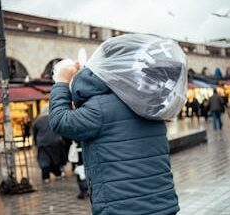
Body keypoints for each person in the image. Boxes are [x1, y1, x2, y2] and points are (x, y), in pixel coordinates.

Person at [49, 61, 179, 214]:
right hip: (163, 203)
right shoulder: (148, 102)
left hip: (123, 207)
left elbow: (59, 120)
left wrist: (61, 82)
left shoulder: (99, 107)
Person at [32, 104, 66, 183]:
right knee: (56, 159)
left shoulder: (37, 121)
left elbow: (34, 133)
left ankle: (46, 177)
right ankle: (58, 174)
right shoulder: (54, 118)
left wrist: (35, 143)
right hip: (55, 141)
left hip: (43, 143)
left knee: (45, 160)